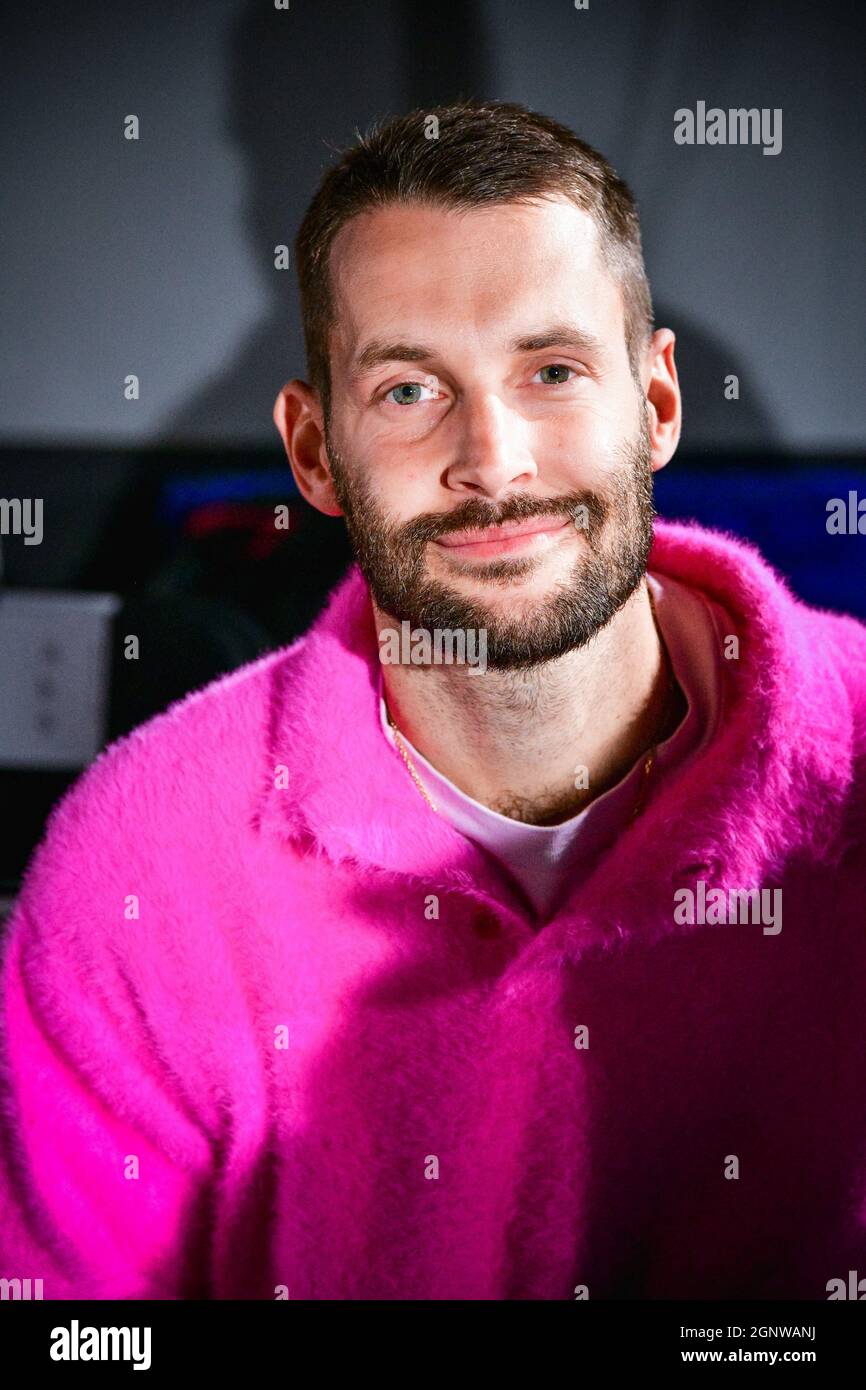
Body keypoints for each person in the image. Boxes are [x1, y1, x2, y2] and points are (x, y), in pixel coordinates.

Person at [2, 99, 865, 1301]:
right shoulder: (132, 865)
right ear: (312, 453)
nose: (493, 459)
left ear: (655, 406)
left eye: (551, 370)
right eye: (409, 391)